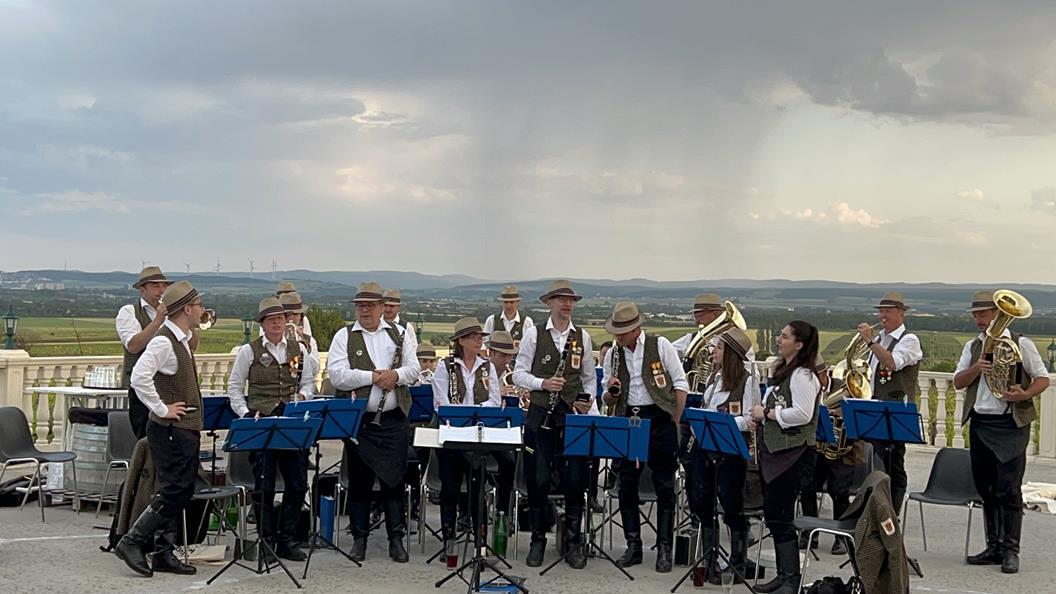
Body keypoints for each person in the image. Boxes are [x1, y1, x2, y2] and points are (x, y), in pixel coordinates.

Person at [114, 281, 207, 577]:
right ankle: (132, 541)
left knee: (181, 489)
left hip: (183, 429)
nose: (202, 310)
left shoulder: (181, 339)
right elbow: (139, 376)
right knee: (174, 489)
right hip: (170, 429)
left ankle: (164, 552)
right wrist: (162, 408)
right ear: (187, 309)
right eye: (199, 305)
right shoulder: (164, 341)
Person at [955, 291, 1049, 574]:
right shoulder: (973, 347)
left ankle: (1011, 550)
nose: (979, 321)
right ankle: (993, 547)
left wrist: (1024, 394)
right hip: (981, 423)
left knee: (1009, 490)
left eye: (983, 315)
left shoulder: (1021, 343)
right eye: (976, 316)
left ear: (997, 313)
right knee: (986, 489)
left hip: (1010, 424)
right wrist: (977, 368)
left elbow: (1042, 378)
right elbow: (959, 382)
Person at [327, 282, 420, 563]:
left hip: (392, 420)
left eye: (370, 305)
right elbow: (337, 375)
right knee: (359, 482)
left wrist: (396, 376)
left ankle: (396, 539)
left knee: (394, 480)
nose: (364, 310)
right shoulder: (344, 336)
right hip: (361, 421)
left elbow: (414, 369)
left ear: (381, 307)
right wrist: (372, 377)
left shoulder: (399, 334)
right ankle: (360, 539)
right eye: (360, 306)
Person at [512, 279, 598, 569]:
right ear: (549, 303)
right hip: (540, 413)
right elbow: (518, 374)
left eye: (570, 300)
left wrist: (587, 400)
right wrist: (543, 383)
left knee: (575, 479)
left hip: (570, 415)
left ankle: (573, 543)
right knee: (538, 479)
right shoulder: (534, 334)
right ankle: (538, 540)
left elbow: (588, 377)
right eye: (561, 299)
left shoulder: (583, 337)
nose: (567, 304)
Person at [227, 297, 318, 562]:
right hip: (262, 422)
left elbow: (309, 382)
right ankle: (266, 540)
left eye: (280, 318)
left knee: (297, 484)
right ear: (263, 323)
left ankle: (287, 539)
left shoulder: (298, 349)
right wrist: (245, 414)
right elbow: (234, 387)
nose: (277, 323)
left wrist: (303, 396)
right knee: (264, 485)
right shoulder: (249, 351)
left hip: (291, 422)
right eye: (271, 319)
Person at [602, 302, 688, 573]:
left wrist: (675, 419)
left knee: (664, 485)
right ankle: (633, 545)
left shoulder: (660, 345)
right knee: (627, 484)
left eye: (622, 332)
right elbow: (606, 398)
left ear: (635, 328)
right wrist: (612, 392)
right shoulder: (613, 354)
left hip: (659, 418)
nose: (618, 337)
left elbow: (680, 382)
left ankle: (664, 547)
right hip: (629, 419)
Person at [750, 321, 822, 594]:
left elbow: (802, 414)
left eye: (784, 336)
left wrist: (768, 414)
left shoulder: (803, 376)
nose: (779, 340)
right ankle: (783, 575)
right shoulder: (786, 372)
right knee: (774, 515)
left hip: (794, 455)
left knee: (780, 515)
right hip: (777, 453)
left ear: (799, 344)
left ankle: (791, 580)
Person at [685, 328, 760, 583]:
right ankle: (709, 562)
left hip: (730, 450)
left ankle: (738, 563)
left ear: (730, 353)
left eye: (718, 348)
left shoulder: (747, 380)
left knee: (731, 504)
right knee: (702, 502)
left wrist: (724, 423)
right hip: (705, 447)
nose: (713, 351)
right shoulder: (713, 378)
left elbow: (751, 418)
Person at [430, 318, 502, 556]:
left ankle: (480, 543)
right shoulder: (446, 366)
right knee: (450, 489)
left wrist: (476, 412)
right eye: (474, 337)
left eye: (480, 337)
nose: (479, 341)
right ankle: (448, 540)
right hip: (452, 435)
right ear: (461, 341)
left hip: (478, 436)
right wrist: (461, 414)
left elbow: (495, 399)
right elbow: (440, 402)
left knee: (477, 490)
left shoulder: (488, 367)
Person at [856, 291, 922, 509]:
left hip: (895, 409)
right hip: (873, 406)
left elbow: (893, 362)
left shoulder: (909, 340)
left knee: (893, 464)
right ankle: (873, 509)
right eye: (881, 311)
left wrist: (870, 341)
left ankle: (892, 512)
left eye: (888, 311)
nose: (883, 316)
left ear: (901, 314)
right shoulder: (880, 339)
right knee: (875, 462)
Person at [116, 266, 179, 439]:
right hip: (142, 388)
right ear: (142, 289)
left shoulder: (172, 314)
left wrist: (184, 318)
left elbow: (191, 346)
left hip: (169, 386)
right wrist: (158, 321)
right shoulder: (129, 312)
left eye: (164, 286)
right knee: (145, 437)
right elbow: (133, 346)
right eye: (155, 286)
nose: (162, 290)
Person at [483, 285, 534, 351]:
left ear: (518, 302)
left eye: (512, 302)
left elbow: (530, 345)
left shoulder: (527, 322)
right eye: (505, 302)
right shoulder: (491, 320)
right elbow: (485, 343)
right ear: (502, 303)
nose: (508, 305)